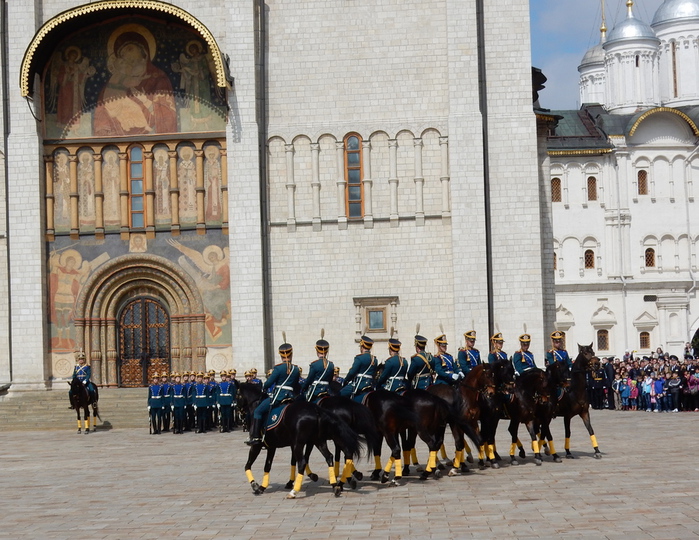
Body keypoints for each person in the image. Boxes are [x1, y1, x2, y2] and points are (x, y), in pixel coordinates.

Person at [246, 340, 301, 445]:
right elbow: (296, 385)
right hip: (291, 397)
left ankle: (256, 437)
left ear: (281, 355)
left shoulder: (279, 368)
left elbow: (269, 383)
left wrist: (264, 387)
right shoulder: (296, 369)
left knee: (257, 411)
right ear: (291, 354)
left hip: (279, 396)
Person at [301, 336, 334, 402]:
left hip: (316, 390)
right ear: (327, 351)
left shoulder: (314, 364)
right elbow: (330, 380)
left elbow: (309, 380)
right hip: (327, 390)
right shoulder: (331, 365)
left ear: (317, 350)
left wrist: (303, 387)